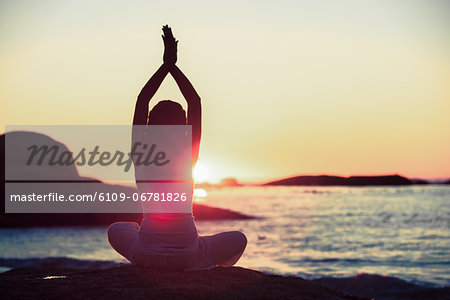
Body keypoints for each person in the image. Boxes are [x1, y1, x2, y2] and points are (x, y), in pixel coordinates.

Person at [107, 25, 247, 270]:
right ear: (184, 127)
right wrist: (174, 65)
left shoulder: (141, 155)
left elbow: (142, 100)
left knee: (117, 229)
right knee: (239, 238)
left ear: (149, 126)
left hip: (145, 254)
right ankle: (197, 259)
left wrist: (165, 65)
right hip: (187, 256)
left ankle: (152, 244)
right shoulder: (187, 156)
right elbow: (195, 101)